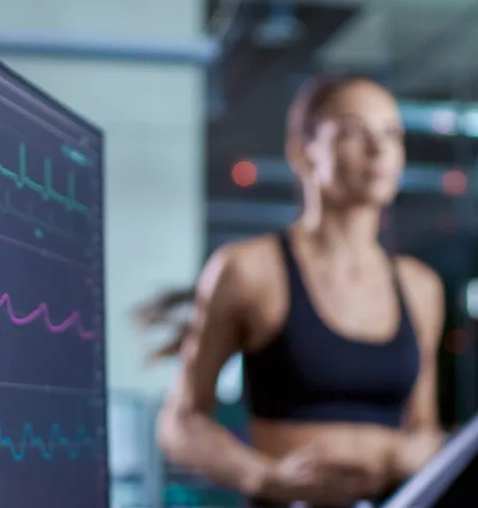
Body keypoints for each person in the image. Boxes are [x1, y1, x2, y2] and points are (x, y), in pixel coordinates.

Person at [136, 74, 447, 507]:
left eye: (392, 134)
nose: (379, 150)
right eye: (354, 132)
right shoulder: (249, 269)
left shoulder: (421, 286)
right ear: (302, 152)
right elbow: (179, 423)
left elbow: (424, 427)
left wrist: (415, 452)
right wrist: (264, 477)